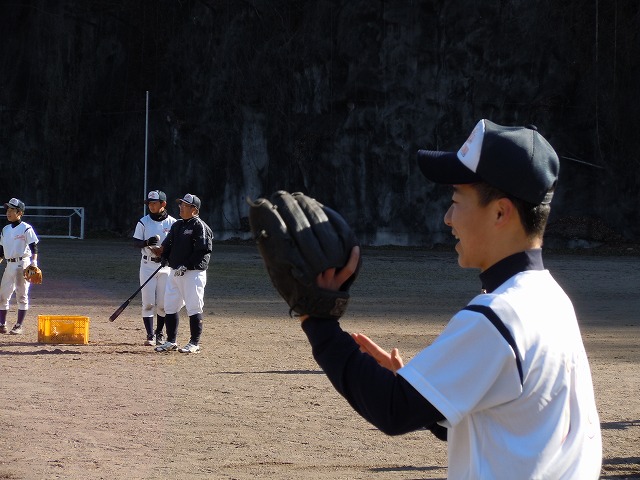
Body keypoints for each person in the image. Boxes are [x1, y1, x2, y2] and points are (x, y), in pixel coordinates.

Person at [298, 120, 602, 478]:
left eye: (456, 201)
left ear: (500, 212)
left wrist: (317, 321)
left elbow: (393, 409)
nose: (447, 218)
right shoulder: (551, 299)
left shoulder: (499, 315)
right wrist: (425, 390)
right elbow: (511, 421)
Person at [152, 193, 213, 354]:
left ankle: (194, 343)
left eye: (185, 205)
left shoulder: (200, 226)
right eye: (181, 204)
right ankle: (171, 341)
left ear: (194, 210)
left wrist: (186, 265)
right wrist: (164, 257)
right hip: (174, 272)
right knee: (170, 306)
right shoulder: (177, 225)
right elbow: (168, 245)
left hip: (193, 273)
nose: (181, 207)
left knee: (194, 306)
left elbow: (203, 250)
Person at [132, 190, 177, 346]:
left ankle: (159, 333)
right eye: (149, 203)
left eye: (154, 203)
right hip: (147, 265)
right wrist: (146, 243)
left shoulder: (173, 223)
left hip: (165, 266)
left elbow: (177, 245)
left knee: (163, 304)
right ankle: (150, 335)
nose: (151, 206)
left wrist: (165, 253)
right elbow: (135, 242)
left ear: (163, 204)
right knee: (148, 303)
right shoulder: (143, 221)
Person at [0, 198, 40, 335]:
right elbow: (1, 250)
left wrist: (34, 263)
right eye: (8, 209)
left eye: (12, 210)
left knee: (21, 295)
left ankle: (18, 325)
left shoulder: (26, 228)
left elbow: (33, 247)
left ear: (20, 213)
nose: (8, 212)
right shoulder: (5, 230)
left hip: (23, 264)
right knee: (3, 295)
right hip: (9, 265)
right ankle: (2, 324)